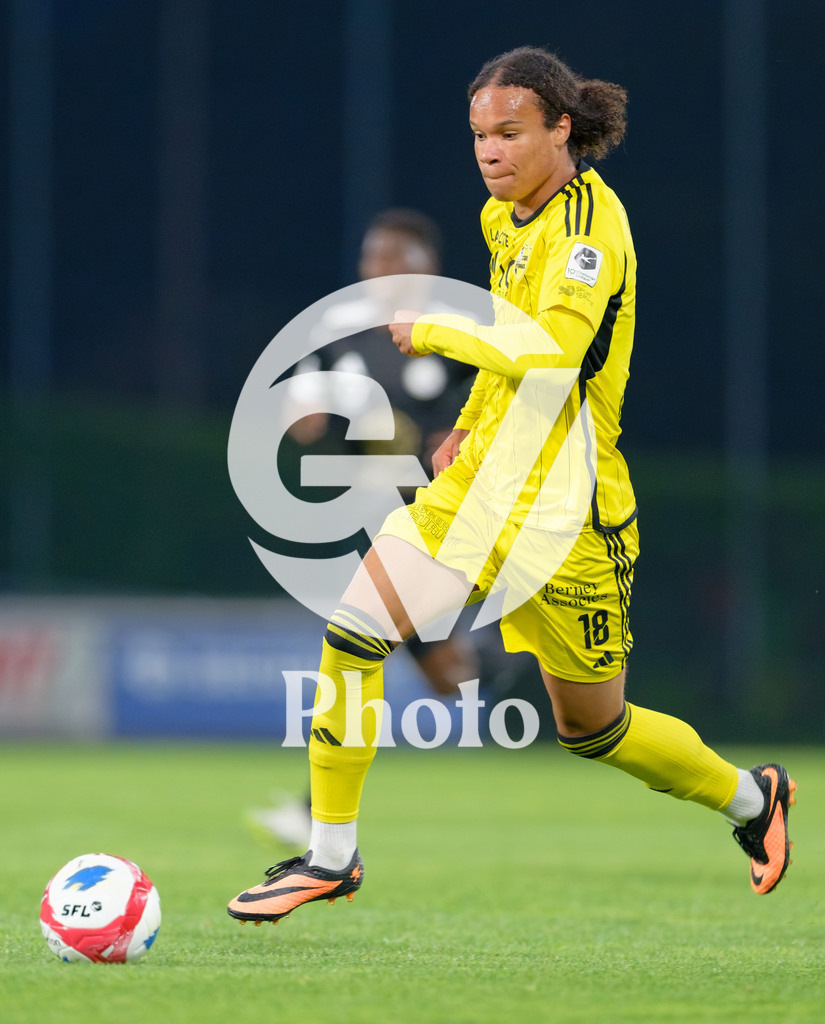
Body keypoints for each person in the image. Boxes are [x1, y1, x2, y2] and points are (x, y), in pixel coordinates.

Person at [228, 46, 795, 924]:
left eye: (509, 134)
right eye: (478, 136)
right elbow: (513, 344)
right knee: (353, 631)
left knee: (593, 730)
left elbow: (554, 355)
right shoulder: (505, 220)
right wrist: (470, 418)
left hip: (570, 512)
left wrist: (438, 333)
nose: (489, 152)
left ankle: (753, 800)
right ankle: (331, 856)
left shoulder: (586, 234)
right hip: (482, 483)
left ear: (560, 129)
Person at [247, 209, 483, 848]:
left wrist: (460, 429)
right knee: (431, 671)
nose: (378, 271)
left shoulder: (455, 331)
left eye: (393, 260)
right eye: (371, 260)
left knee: (375, 652)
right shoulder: (337, 328)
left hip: (446, 521)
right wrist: (304, 413)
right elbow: (300, 402)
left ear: (425, 268)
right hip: (372, 522)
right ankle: (499, 657)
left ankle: (315, 814)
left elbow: (503, 391)